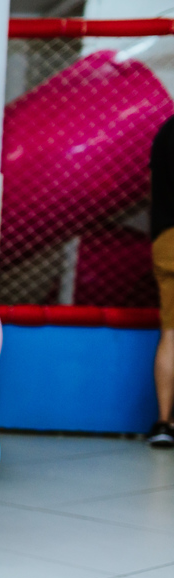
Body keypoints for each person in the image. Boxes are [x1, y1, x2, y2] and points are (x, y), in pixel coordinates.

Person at [148, 116, 174, 448]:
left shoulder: (167, 130)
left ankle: (163, 422)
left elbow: (152, 188)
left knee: (171, 332)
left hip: (167, 237)